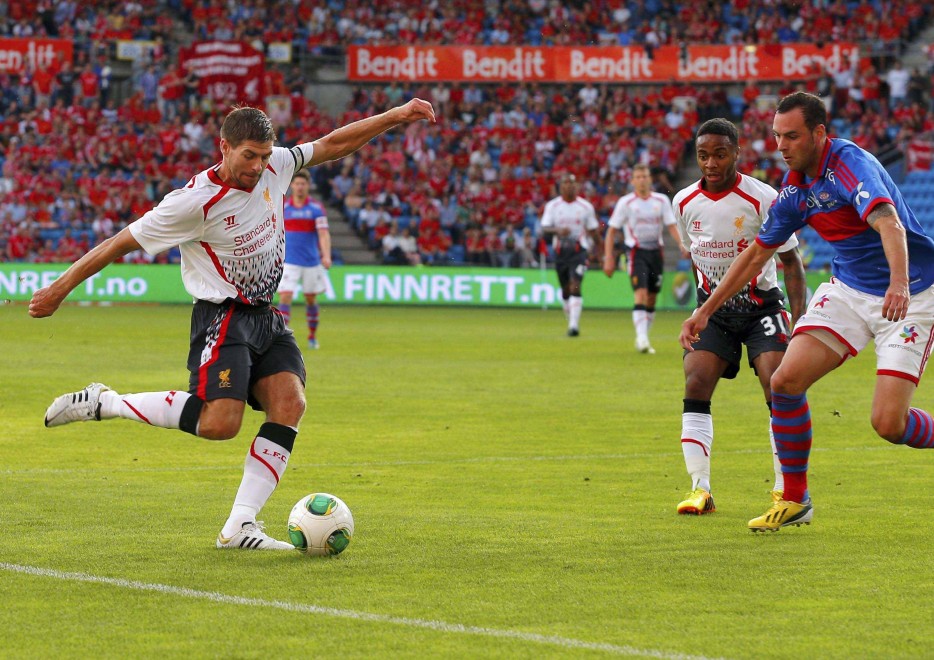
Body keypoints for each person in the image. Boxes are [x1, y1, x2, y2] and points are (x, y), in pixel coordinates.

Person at [30, 99, 436, 550]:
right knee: (220, 423)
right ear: (224, 147)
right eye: (249, 156)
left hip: (266, 315)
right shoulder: (193, 203)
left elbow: (332, 144)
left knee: (290, 404)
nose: (259, 166)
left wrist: (394, 116)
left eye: (264, 155)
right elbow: (117, 243)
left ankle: (239, 526)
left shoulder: (276, 166)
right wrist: (59, 289)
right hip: (222, 317)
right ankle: (107, 402)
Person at [680, 92, 934, 531]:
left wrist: (898, 284)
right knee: (784, 381)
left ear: (819, 133)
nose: (781, 145)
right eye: (777, 136)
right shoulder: (795, 189)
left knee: (889, 424)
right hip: (848, 291)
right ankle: (795, 500)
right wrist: (705, 311)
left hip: (911, 295)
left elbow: (889, 223)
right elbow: (756, 256)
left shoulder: (850, 164)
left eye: (792, 136)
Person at [671, 118, 806, 517]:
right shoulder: (683, 201)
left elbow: (792, 263)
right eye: (703, 156)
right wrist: (702, 308)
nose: (711, 163)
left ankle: (783, 489)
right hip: (713, 312)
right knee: (696, 381)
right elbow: (695, 254)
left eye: (719, 154)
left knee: (777, 385)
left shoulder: (763, 197)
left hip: (762, 308)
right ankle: (700, 490)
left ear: (736, 153)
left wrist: (800, 324)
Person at [603, 163, 688, 354]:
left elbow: (671, 225)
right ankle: (642, 338)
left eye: (645, 176)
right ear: (632, 181)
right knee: (640, 293)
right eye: (638, 177)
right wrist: (608, 257)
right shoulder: (626, 203)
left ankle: (644, 337)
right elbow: (611, 231)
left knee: (651, 298)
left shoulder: (661, 200)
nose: (642, 180)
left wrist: (681, 244)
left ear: (650, 179)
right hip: (636, 252)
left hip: (656, 252)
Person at [540, 173, 602, 336]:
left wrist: (601, 253)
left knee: (575, 284)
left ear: (577, 186)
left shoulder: (585, 207)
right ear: (561, 187)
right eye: (566, 183)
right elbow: (545, 228)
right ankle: (571, 320)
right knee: (565, 289)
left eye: (572, 183)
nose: (569, 186)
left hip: (579, 251)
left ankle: (574, 326)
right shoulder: (553, 206)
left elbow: (594, 231)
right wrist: (558, 230)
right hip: (560, 251)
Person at [277, 169, 331, 350]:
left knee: (310, 299)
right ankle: (282, 339)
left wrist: (326, 255)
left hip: (311, 262)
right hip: (289, 261)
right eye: (297, 183)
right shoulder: (284, 207)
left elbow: (323, 234)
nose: (300, 187)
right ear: (292, 185)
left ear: (308, 186)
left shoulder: (316, 209)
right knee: (285, 296)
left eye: (303, 184)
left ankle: (312, 337)